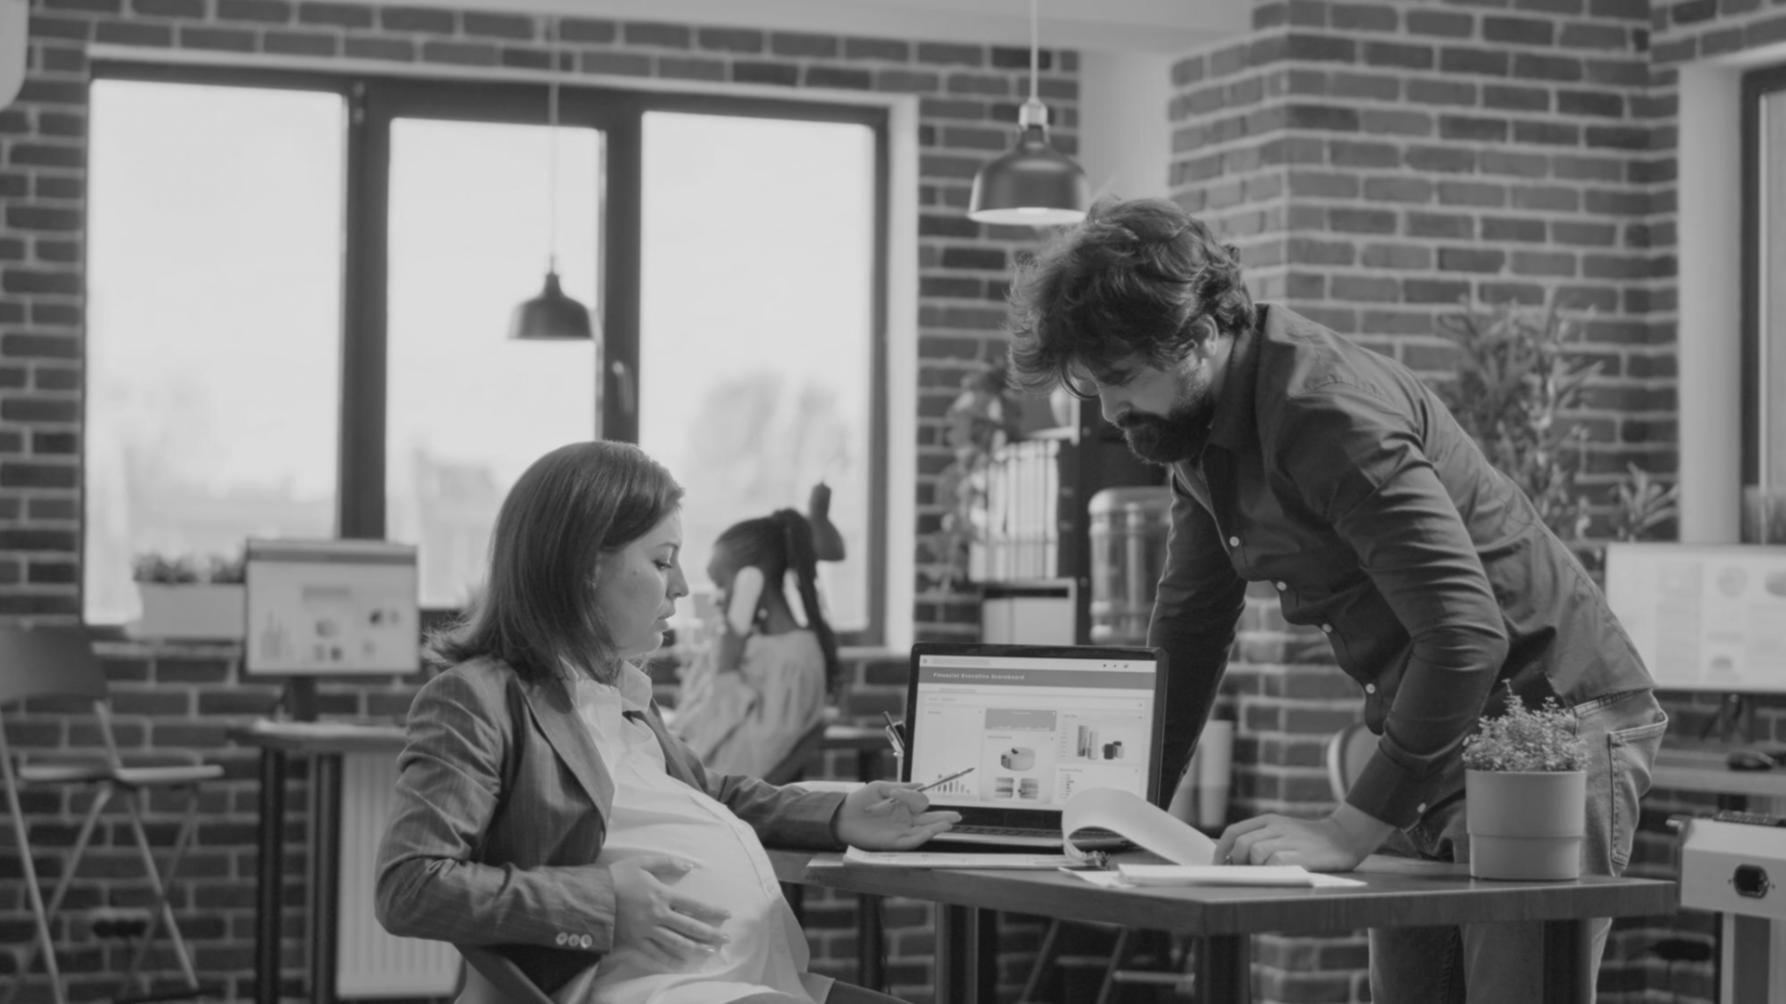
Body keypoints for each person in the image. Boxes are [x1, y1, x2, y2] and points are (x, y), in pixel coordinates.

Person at [1002, 197, 1667, 1004]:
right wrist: (1129, 811)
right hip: (1441, 730)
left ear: (1200, 336)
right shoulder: (1194, 433)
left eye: (1120, 380)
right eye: (1092, 389)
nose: (1110, 414)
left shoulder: (1324, 410)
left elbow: (1463, 634)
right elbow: (1191, 626)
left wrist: (1349, 828)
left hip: (1551, 722)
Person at [374, 441, 958, 1004]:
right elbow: (410, 885)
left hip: (759, 975)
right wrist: (601, 902)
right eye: (661, 561)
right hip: (645, 988)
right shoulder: (476, 699)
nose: (681, 587)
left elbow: (711, 793)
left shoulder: (621, 695)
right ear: (585, 569)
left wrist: (838, 814)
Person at [672, 496, 841, 779]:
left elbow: (740, 766)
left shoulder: (795, 658)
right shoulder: (743, 645)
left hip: (724, 809)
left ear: (752, 580)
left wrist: (726, 671)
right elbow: (689, 733)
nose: (715, 599)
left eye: (720, 584)